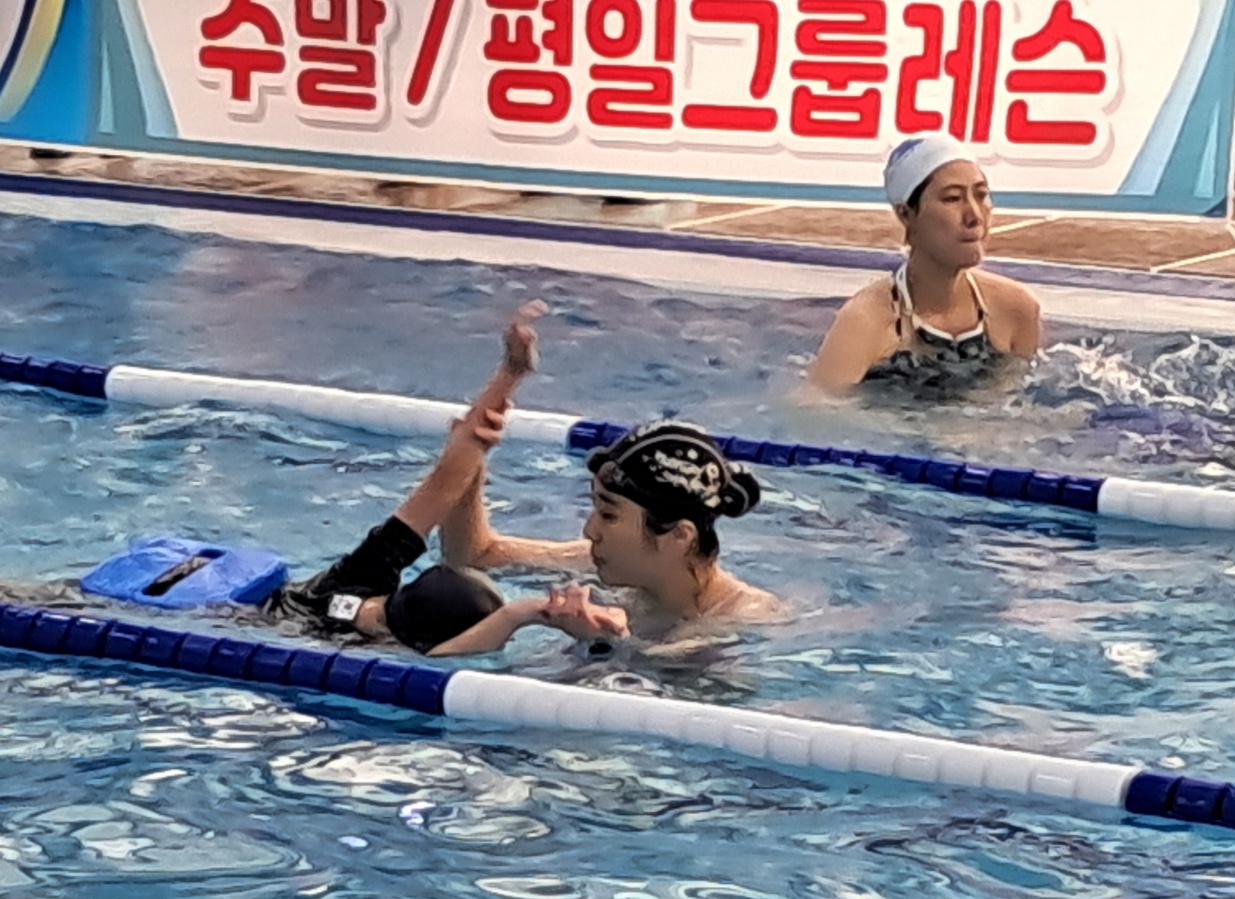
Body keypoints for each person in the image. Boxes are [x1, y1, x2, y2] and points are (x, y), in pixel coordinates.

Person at [262, 301, 629, 656]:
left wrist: (510, 373)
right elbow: (445, 652)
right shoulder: (357, 592)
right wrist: (524, 614)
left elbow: (450, 472)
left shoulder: (356, 581)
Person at [435, 384, 781, 647]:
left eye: (608, 515)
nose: (590, 530)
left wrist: (601, 645)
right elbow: (473, 557)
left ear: (679, 534)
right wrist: (467, 460)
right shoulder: (591, 563)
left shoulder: (744, 620)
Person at [808, 134, 1042, 400]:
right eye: (952, 198)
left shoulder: (1017, 309)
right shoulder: (865, 322)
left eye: (981, 195)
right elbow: (814, 408)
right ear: (906, 214)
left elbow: (1018, 405)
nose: (975, 216)